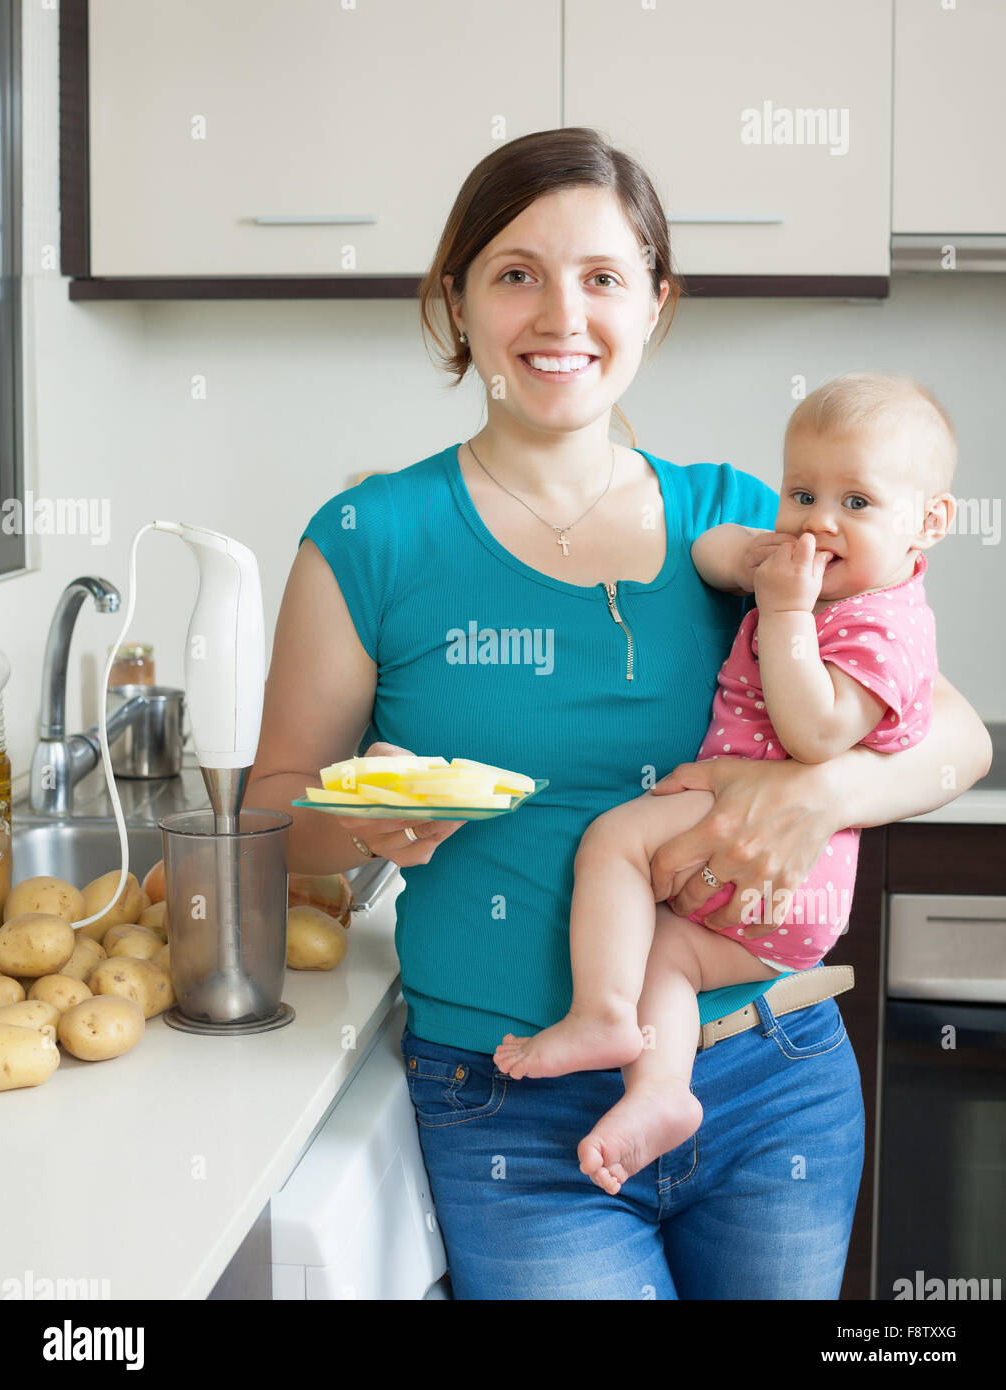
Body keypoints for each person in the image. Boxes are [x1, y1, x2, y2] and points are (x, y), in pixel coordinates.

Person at [244, 129, 992, 1299]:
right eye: (514, 272)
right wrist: (367, 820)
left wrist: (821, 793)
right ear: (456, 301)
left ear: (654, 303)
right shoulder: (368, 538)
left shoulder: (749, 524)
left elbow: (952, 736)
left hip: (767, 1073)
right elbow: (272, 819)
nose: (560, 314)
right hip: (509, 1102)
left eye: (601, 276)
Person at [492, 371, 955, 1199]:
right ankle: (662, 1092)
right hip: (769, 911)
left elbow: (816, 735)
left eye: (857, 502)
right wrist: (754, 560)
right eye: (802, 492)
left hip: (780, 854)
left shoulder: (880, 626)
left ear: (930, 522)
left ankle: (600, 1014)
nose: (818, 521)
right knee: (666, 961)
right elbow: (707, 556)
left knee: (613, 843)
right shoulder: (816, 585)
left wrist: (780, 614)